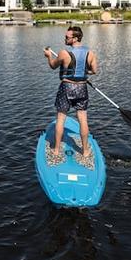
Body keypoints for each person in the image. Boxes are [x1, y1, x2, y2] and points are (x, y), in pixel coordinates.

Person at [43, 26, 98, 161]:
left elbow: (52, 66)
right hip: (82, 88)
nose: (65, 39)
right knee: (83, 119)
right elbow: (93, 71)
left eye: (67, 37)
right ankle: (85, 152)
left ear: (75, 38)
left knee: (61, 118)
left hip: (66, 87)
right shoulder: (90, 53)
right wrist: (82, 72)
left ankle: (56, 150)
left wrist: (49, 56)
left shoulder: (63, 53)